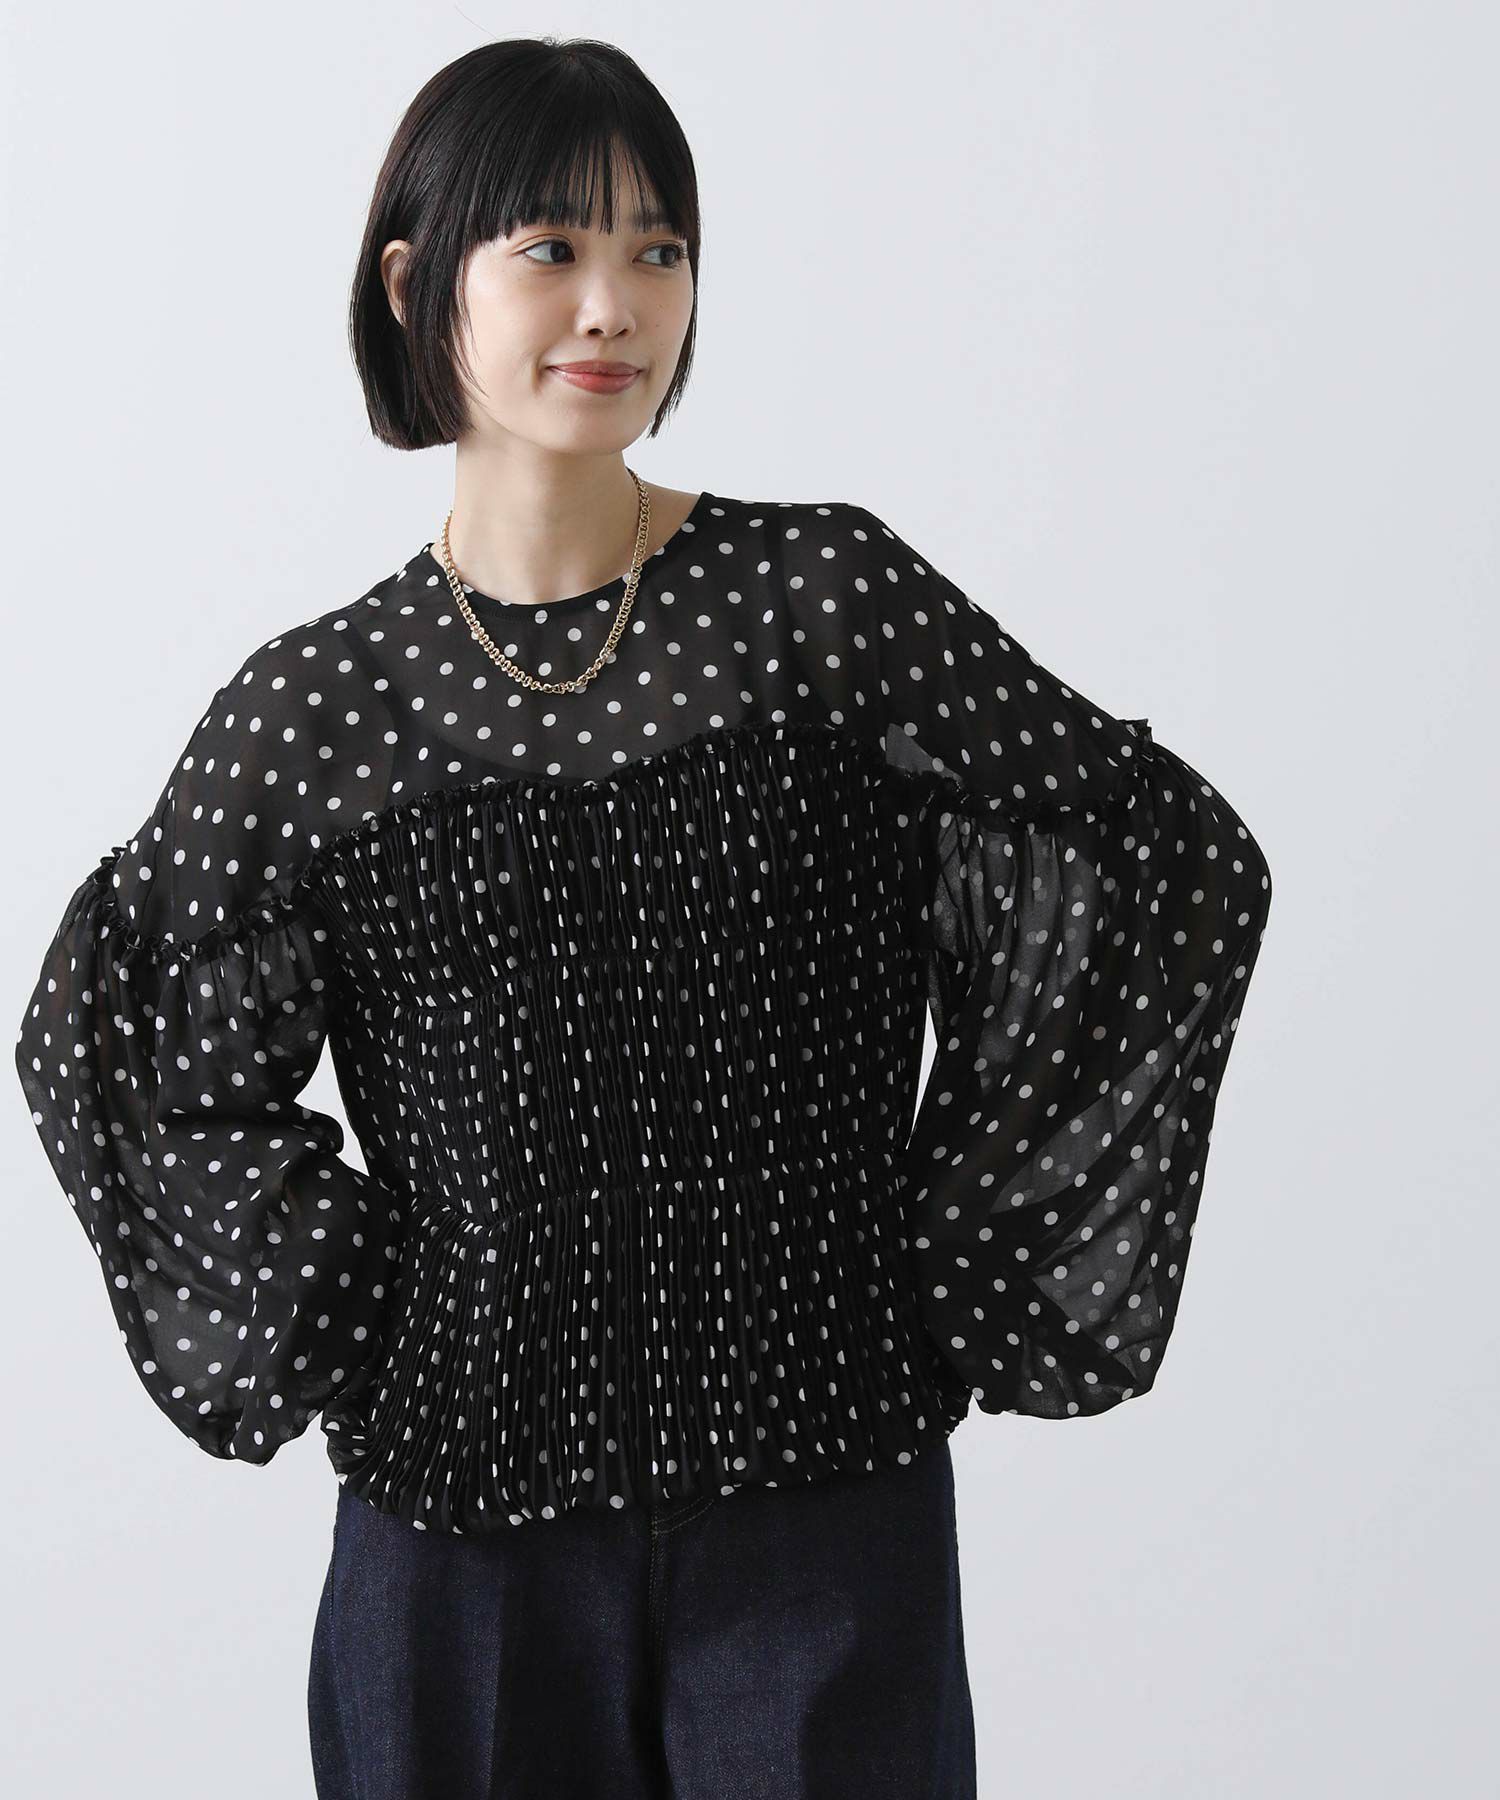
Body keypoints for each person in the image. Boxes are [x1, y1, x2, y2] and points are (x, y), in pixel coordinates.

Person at [12, 35, 1273, 1800]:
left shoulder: (823, 602)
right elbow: (122, 1036)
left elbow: (1150, 856)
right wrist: (368, 1303)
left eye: (657, 250)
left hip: (824, 1508)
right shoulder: (321, 707)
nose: (614, 305)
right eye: (551, 247)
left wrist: (949, 1245)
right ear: (416, 284)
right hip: (459, 1542)